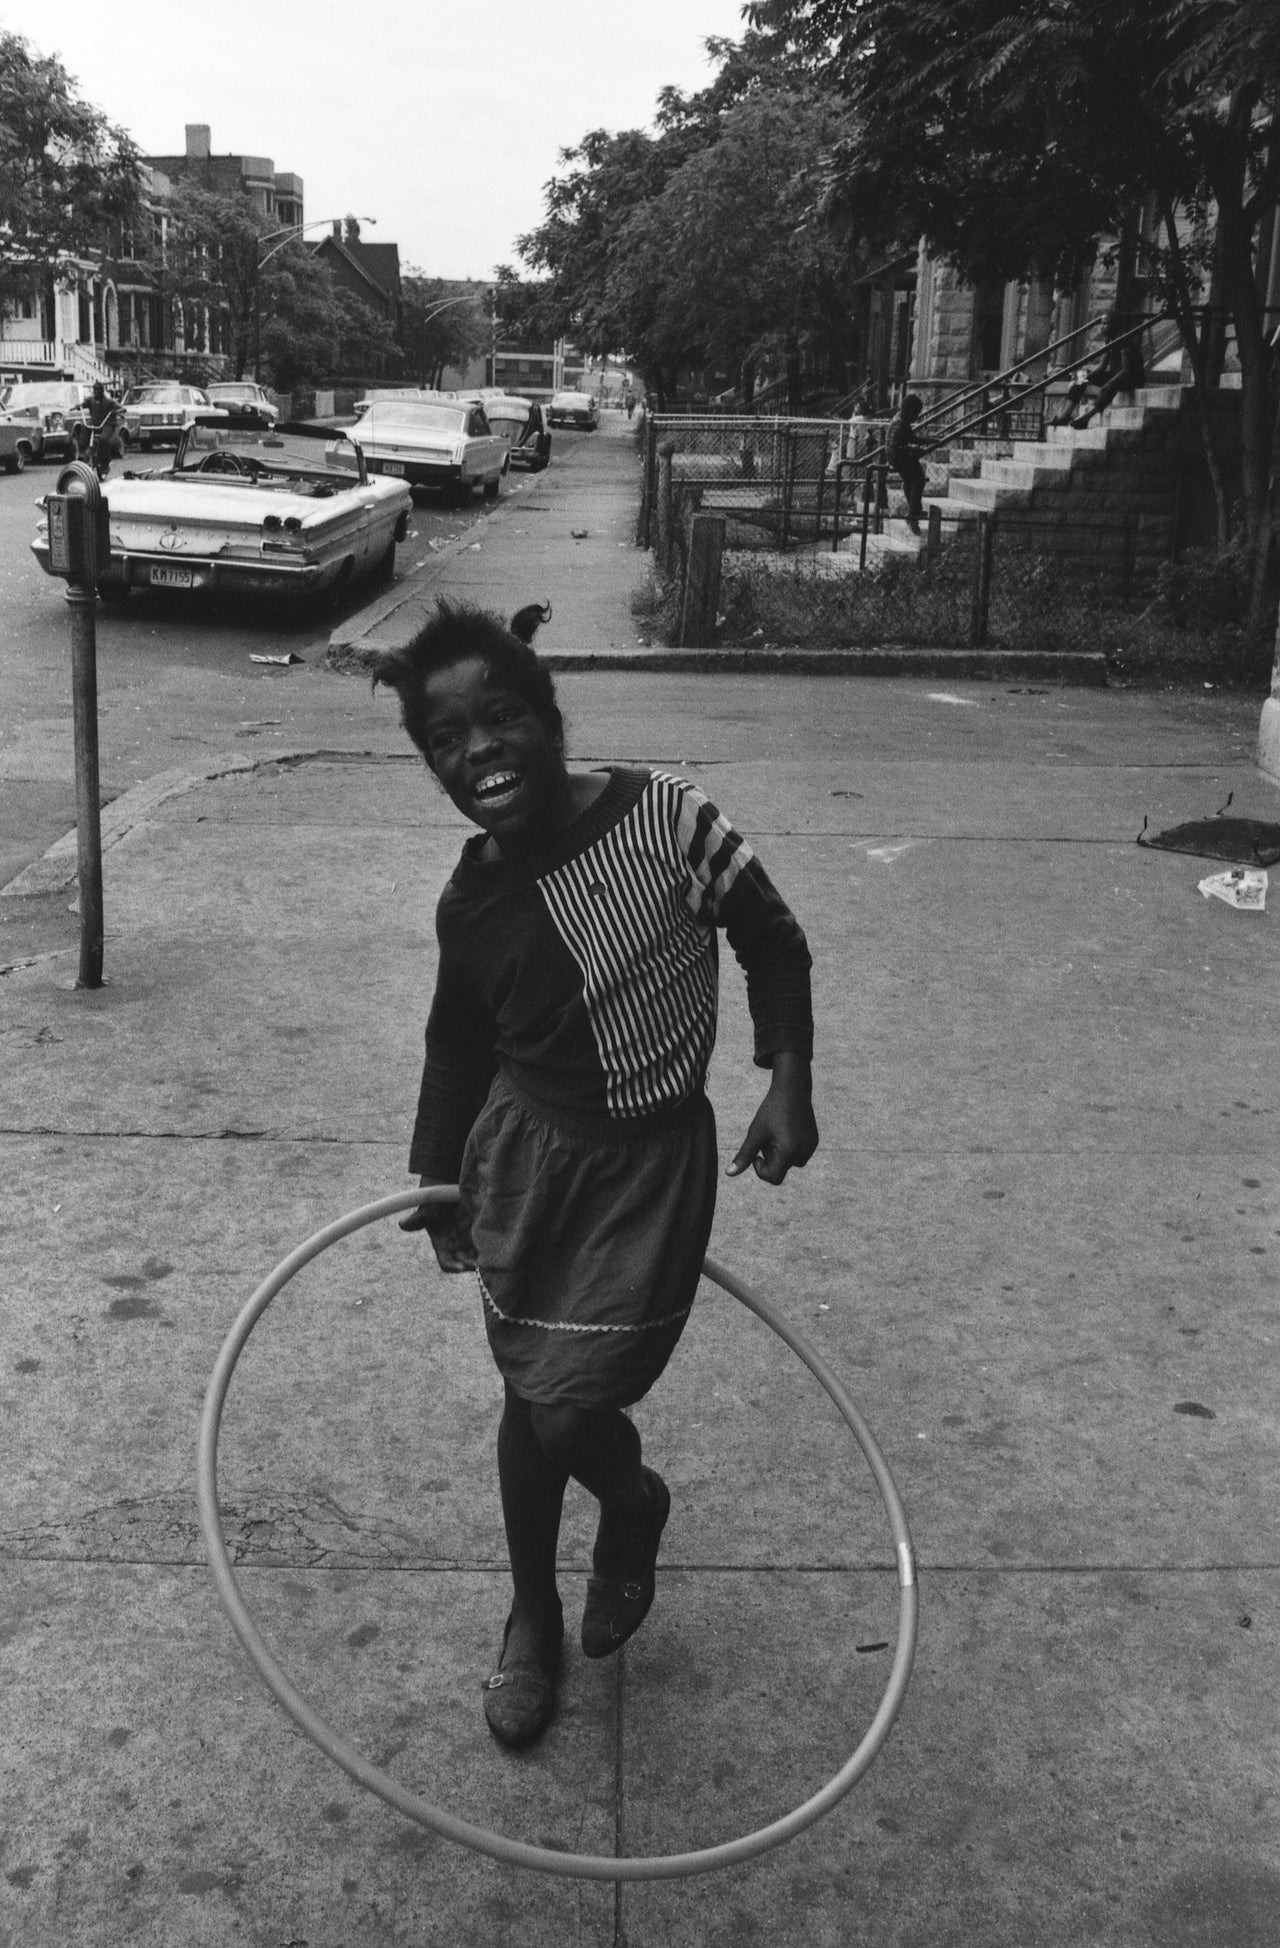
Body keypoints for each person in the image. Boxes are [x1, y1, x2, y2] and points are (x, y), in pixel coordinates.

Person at [373, 599, 818, 1750]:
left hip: (648, 1170)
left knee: (571, 1405)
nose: (480, 751)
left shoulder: (666, 819)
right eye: (447, 740)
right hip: (527, 1159)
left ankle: (631, 1503)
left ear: (548, 715)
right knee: (534, 1391)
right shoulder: (472, 900)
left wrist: (785, 1078)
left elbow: (769, 938)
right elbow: (457, 1043)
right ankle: (531, 1612)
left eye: (500, 717)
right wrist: (437, 1175)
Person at [886, 393, 926, 535]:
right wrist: (913, 450)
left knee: (910, 481)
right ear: (910, 410)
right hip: (898, 457)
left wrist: (927, 441)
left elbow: (911, 438)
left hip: (898, 455)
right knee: (918, 480)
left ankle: (915, 509)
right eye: (916, 412)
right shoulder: (901, 423)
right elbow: (897, 445)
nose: (917, 416)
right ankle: (913, 516)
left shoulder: (901, 419)